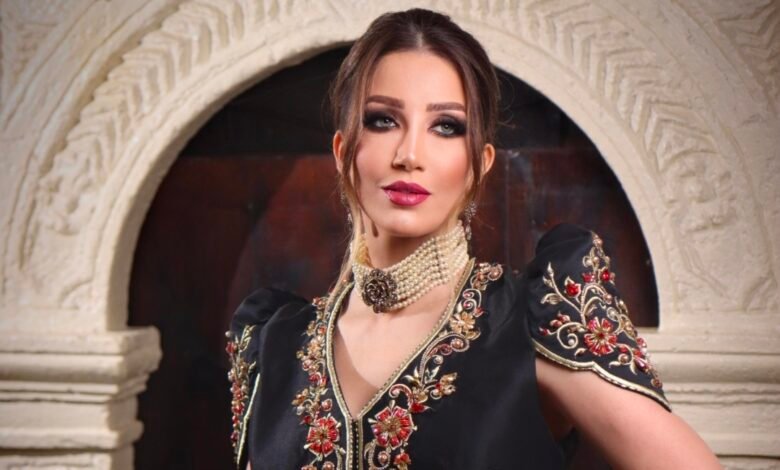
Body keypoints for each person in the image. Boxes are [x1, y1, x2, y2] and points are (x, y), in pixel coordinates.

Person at [225, 8, 722, 470]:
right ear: (342, 152)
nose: (409, 154)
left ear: (478, 166)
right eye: (383, 120)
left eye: (445, 127)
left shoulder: (531, 323)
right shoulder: (274, 345)